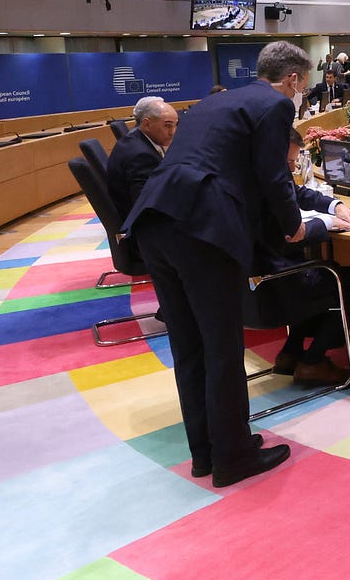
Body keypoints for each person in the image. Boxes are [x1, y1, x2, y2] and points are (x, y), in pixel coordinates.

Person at [123, 41, 310, 488]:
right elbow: (272, 175)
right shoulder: (274, 105)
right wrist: (293, 225)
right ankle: (234, 457)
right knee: (222, 347)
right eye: (305, 83)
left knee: (190, 348)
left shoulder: (219, 100)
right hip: (202, 229)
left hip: (157, 223)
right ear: (293, 80)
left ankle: (206, 453)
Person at [257, 129, 350, 388]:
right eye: (288, 163)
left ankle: (291, 352)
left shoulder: (256, 174)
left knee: (323, 271)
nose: (291, 167)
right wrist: (330, 223)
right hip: (276, 280)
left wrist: (335, 205)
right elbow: (292, 234)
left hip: (262, 281)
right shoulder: (263, 185)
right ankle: (313, 361)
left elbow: (296, 194)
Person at [106, 97, 179, 217]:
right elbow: (146, 207)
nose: (173, 132)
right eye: (167, 126)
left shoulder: (136, 137)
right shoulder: (141, 156)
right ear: (147, 124)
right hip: (143, 226)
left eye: (176, 125)